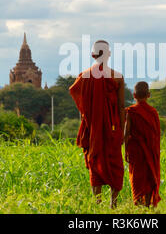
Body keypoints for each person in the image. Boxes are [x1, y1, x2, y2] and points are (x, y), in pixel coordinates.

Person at [69, 40, 125, 208]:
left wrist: (86, 122)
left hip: (92, 128)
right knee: (115, 164)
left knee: (95, 162)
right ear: (108, 54)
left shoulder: (84, 76)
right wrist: (122, 130)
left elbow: (80, 102)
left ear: (93, 55)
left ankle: (97, 203)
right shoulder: (117, 77)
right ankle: (112, 204)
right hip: (112, 128)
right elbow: (121, 107)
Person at [124, 81, 161, 207]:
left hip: (135, 150)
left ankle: (139, 203)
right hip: (150, 151)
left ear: (134, 95)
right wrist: (155, 152)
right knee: (150, 175)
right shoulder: (153, 112)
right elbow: (156, 135)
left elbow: (126, 133)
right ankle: (148, 205)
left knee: (137, 178)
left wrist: (125, 151)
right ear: (149, 95)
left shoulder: (131, 111)